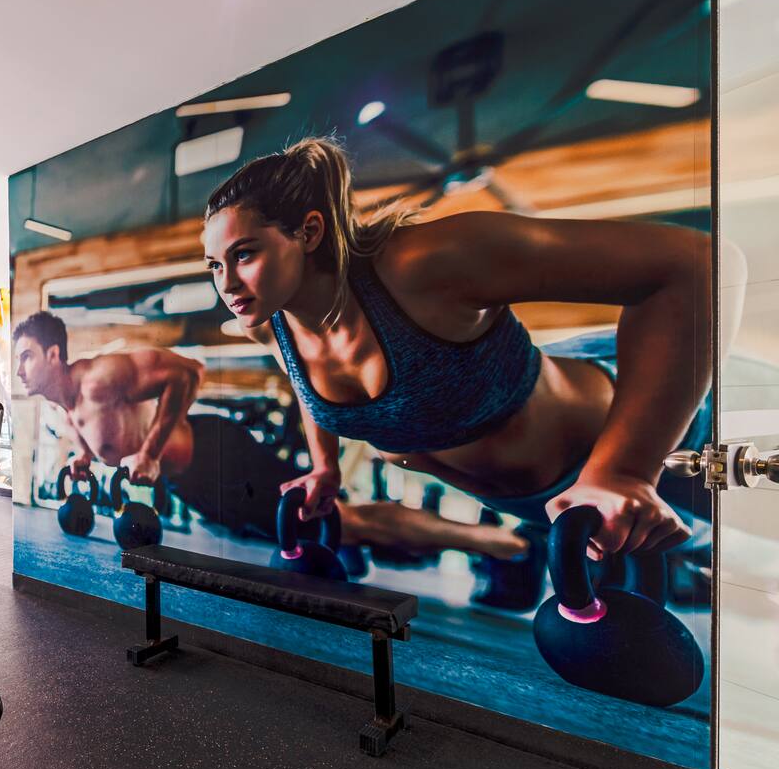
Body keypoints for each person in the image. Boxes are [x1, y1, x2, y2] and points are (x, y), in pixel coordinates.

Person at [203, 136, 713, 561]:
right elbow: (305, 386)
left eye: (243, 254)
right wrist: (325, 468)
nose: (226, 283)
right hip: (552, 506)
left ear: (310, 232)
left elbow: (694, 265)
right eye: (214, 265)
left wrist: (624, 470)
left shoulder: (422, 265)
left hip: (659, 434)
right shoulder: (269, 326)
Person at [14, 310, 529, 560]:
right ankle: (495, 542)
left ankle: (501, 541)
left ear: (54, 355)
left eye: (26, 357)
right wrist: (85, 459)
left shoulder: (102, 377)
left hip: (220, 457)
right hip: (197, 486)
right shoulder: (66, 406)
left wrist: (149, 451)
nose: (19, 370)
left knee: (348, 524)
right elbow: (102, 437)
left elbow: (189, 372)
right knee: (317, 534)